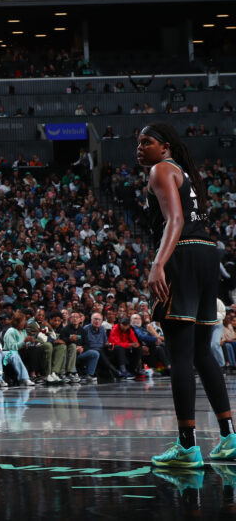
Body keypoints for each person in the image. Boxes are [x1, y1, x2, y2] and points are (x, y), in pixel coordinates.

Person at [137, 123, 236, 467]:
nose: (140, 148)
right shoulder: (183, 172)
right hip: (207, 253)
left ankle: (187, 446)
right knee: (202, 353)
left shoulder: (160, 169)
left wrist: (157, 264)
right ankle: (228, 437)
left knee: (179, 356)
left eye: (146, 142)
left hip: (183, 254)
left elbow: (174, 220)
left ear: (164, 147)